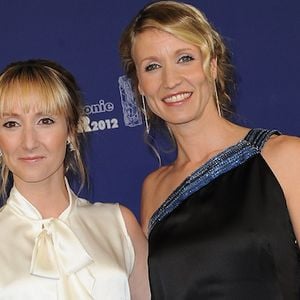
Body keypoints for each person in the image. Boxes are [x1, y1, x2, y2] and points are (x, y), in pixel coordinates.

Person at [119, 1, 300, 299]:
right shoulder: (154, 188)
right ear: (139, 85)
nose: (171, 80)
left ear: (212, 66)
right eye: (153, 66)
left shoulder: (284, 157)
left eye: (185, 58)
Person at [0, 59, 150, 299]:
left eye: (45, 121)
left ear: (70, 130)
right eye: (11, 124)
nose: (29, 142)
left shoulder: (119, 224)